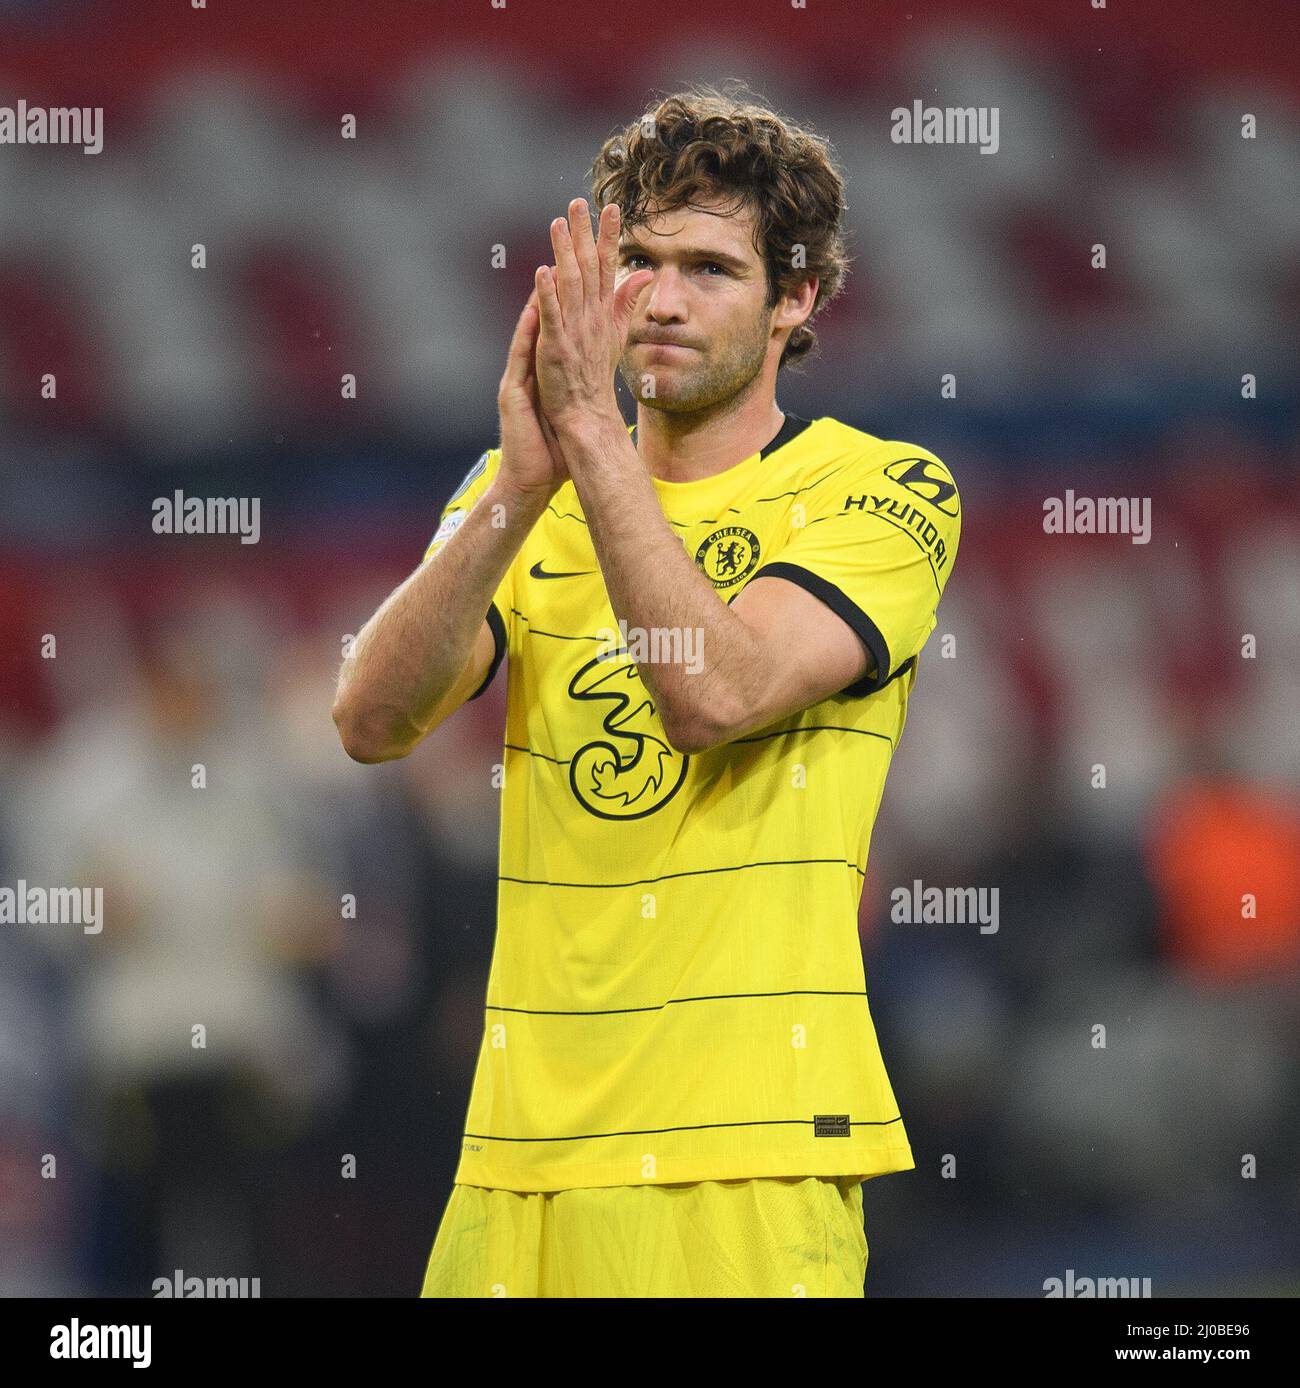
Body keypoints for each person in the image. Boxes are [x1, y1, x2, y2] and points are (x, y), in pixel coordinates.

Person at [332, 85, 961, 1298]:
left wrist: (590, 445)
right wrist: (518, 488)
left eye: (711, 269)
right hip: (515, 1158)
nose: (661, 301)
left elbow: (712, 695)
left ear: (797, 298)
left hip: (744, 1156)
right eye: (637, 263)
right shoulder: (532, 489)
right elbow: (368, 720)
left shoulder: (880, 491)